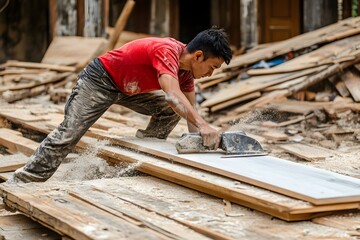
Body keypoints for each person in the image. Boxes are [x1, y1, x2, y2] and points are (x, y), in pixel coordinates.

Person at [7, 26, 232, 183]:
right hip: (100, 80)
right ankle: (24, 179)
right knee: (69, 133)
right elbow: (173, 95)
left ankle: (147, 149)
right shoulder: (167, 50)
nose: (211, 74)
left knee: (172, 110)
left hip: (128, 88)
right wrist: (204, 126)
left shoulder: (186, 73)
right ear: (199, 56)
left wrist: (199, 141)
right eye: (212, 67)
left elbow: (190, 112)